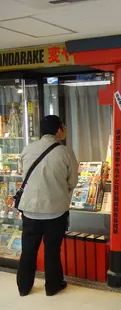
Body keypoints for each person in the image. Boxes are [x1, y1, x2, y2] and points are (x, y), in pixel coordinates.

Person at [16, 115, 78, 297]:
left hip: (30, 209)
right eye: (63, 127)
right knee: (52, 250)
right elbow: (73, 181)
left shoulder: (28, 149)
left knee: (28, 249)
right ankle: (53, 286)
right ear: (59, 130)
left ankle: (23, 287)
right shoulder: (66, 152)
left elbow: (23, 176)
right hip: (55, 210)